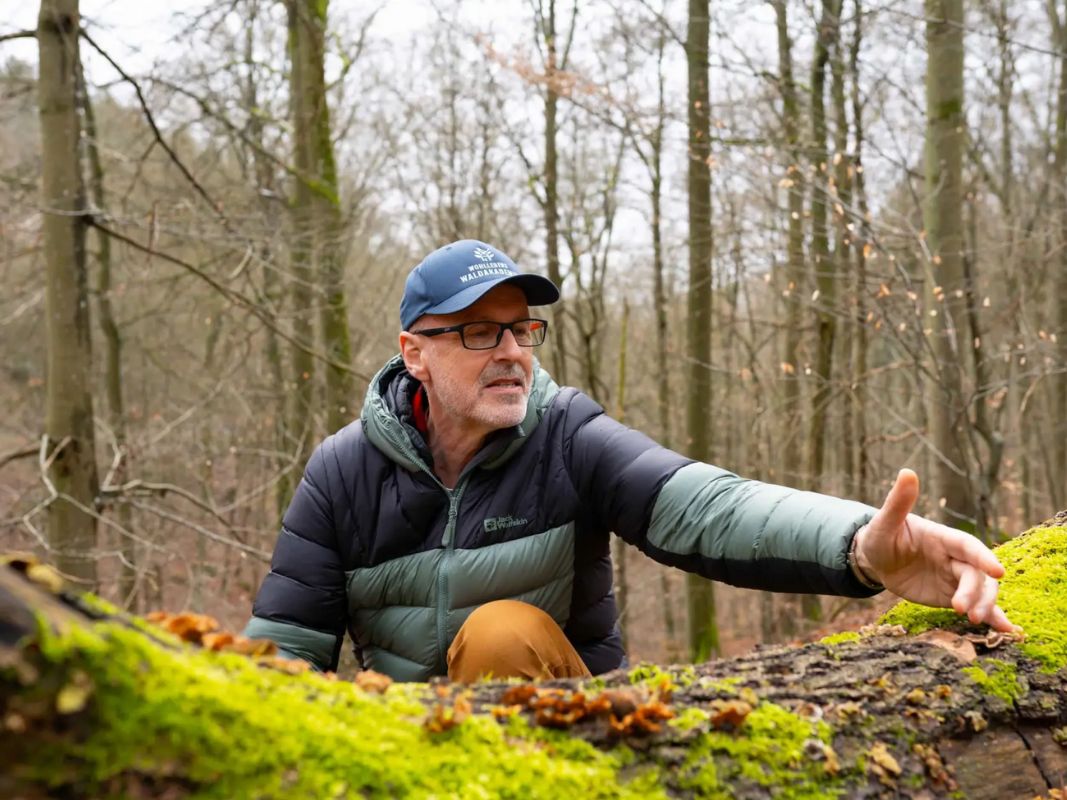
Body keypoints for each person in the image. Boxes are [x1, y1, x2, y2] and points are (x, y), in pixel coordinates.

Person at [244, 239, 1016, 682]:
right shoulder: (342, 473)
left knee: (501, 632)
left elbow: (706, 505)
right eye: (480, 333)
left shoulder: (565, 437)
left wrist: (858, 545)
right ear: (414, 352)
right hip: (405, 754)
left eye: (521, 330)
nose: (511, 351)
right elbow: (284, 655)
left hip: (568, 743)